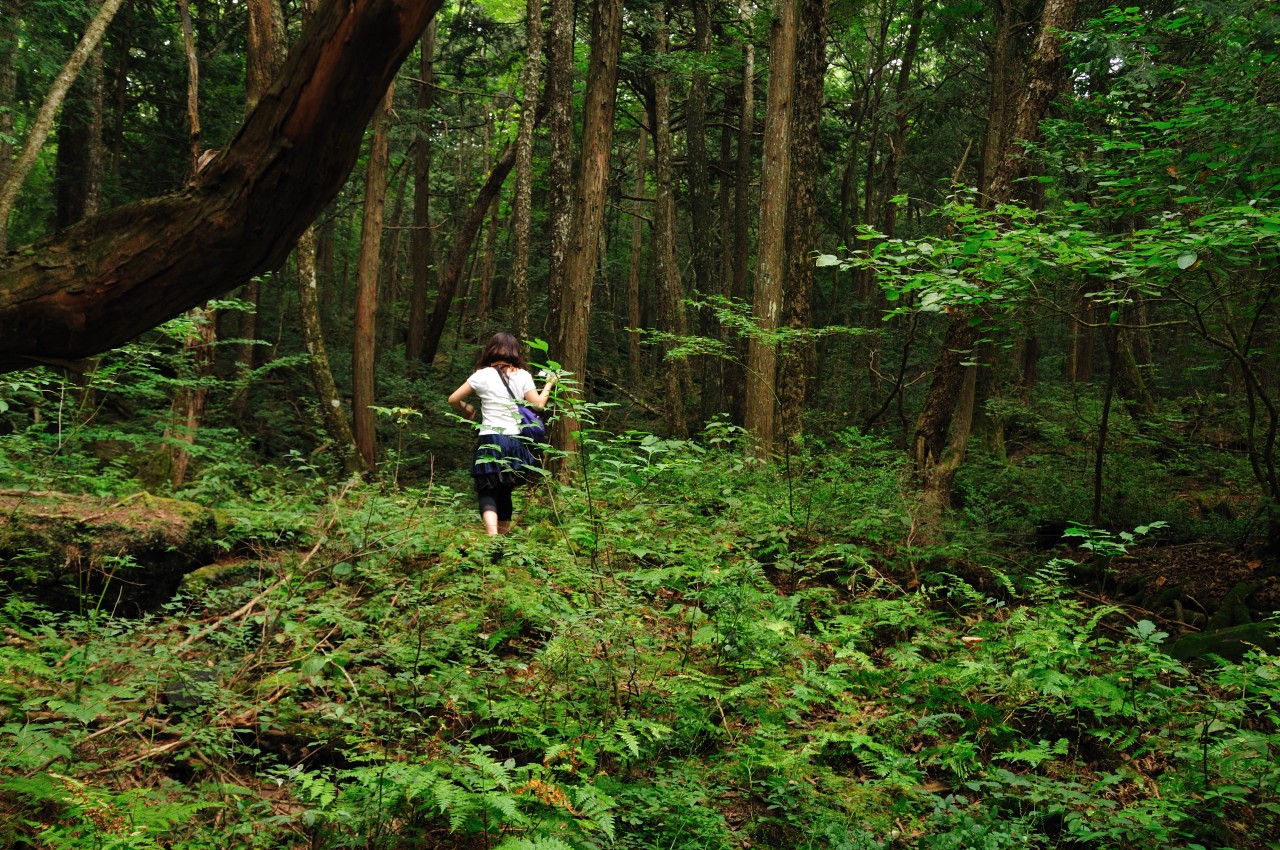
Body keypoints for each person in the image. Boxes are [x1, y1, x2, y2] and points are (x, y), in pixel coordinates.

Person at [448, 333, 556, 535]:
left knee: (487, 489)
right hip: (515, 440)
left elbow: (453, 399)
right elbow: (539, 405)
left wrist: (467, 409)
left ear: (491, 350)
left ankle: (492, 536)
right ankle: (502, 539)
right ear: (515, 352)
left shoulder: (481, 375)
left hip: (490, 437)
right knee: (505, 490)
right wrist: (549, 383)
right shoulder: (522, 375)